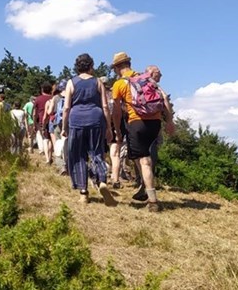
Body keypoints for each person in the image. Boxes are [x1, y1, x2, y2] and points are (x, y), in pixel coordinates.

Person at [111, 52, 173, 212]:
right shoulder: (145, 78)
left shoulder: (119, 84)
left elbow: (117, 111)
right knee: (145, 157)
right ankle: (145, 186)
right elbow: (164, 98)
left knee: (144, 161)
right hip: (155, 123)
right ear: (129, 64)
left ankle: (152, 200)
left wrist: (117, 130)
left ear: (118, 67)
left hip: (136, 123)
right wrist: (170, 122)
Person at [61, 54, 115, 205]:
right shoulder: (97, 82)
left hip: (76, 120)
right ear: (91, 66)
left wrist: (65, 127)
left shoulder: (71, 82)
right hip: (96, 119)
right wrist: (109, 127)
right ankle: (102, 181)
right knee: (97, 152)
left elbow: (66, 108)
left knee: (78, 156)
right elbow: (105, 106)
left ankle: (83, 193)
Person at [34, 82, 54, 164]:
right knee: (51, 140)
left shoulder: (38, 99)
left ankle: (47, 158)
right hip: (52, 120)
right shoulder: (53, 98)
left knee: (45, 140)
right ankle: (50, 156)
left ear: (42, 89)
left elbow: (35, 113)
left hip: (42, 120)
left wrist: (35, 122)